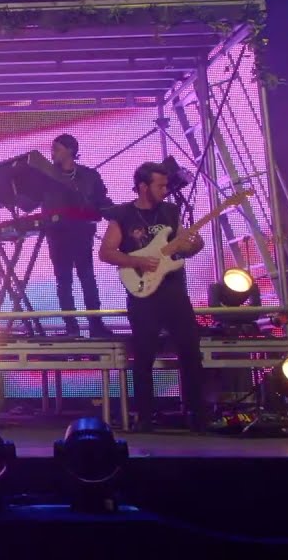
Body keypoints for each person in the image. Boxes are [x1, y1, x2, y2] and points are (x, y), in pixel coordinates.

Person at [99, 162, 208, 432]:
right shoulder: (123, 215)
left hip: (174, 291)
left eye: (166, 185)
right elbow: (106, 252)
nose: (165, 190)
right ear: (143, 187)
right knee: (144, 354)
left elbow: (184, 247)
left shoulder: (170, 212)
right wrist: (136, 261)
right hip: (143, 295)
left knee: (190, 351)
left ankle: (196, 412)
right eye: (160, 185)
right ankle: (145, 416)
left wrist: (194, 245)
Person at [42, 134, 114, 338]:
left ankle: (96, 325)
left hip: (82, 234)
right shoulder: (47, 177)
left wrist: (119, 215)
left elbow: (102, 201)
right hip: (58, 236)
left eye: (56, 148)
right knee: (64, 281)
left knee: (87, 279)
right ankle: (71, 328)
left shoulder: (89, 176)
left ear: (70, 150)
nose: (52, 153)